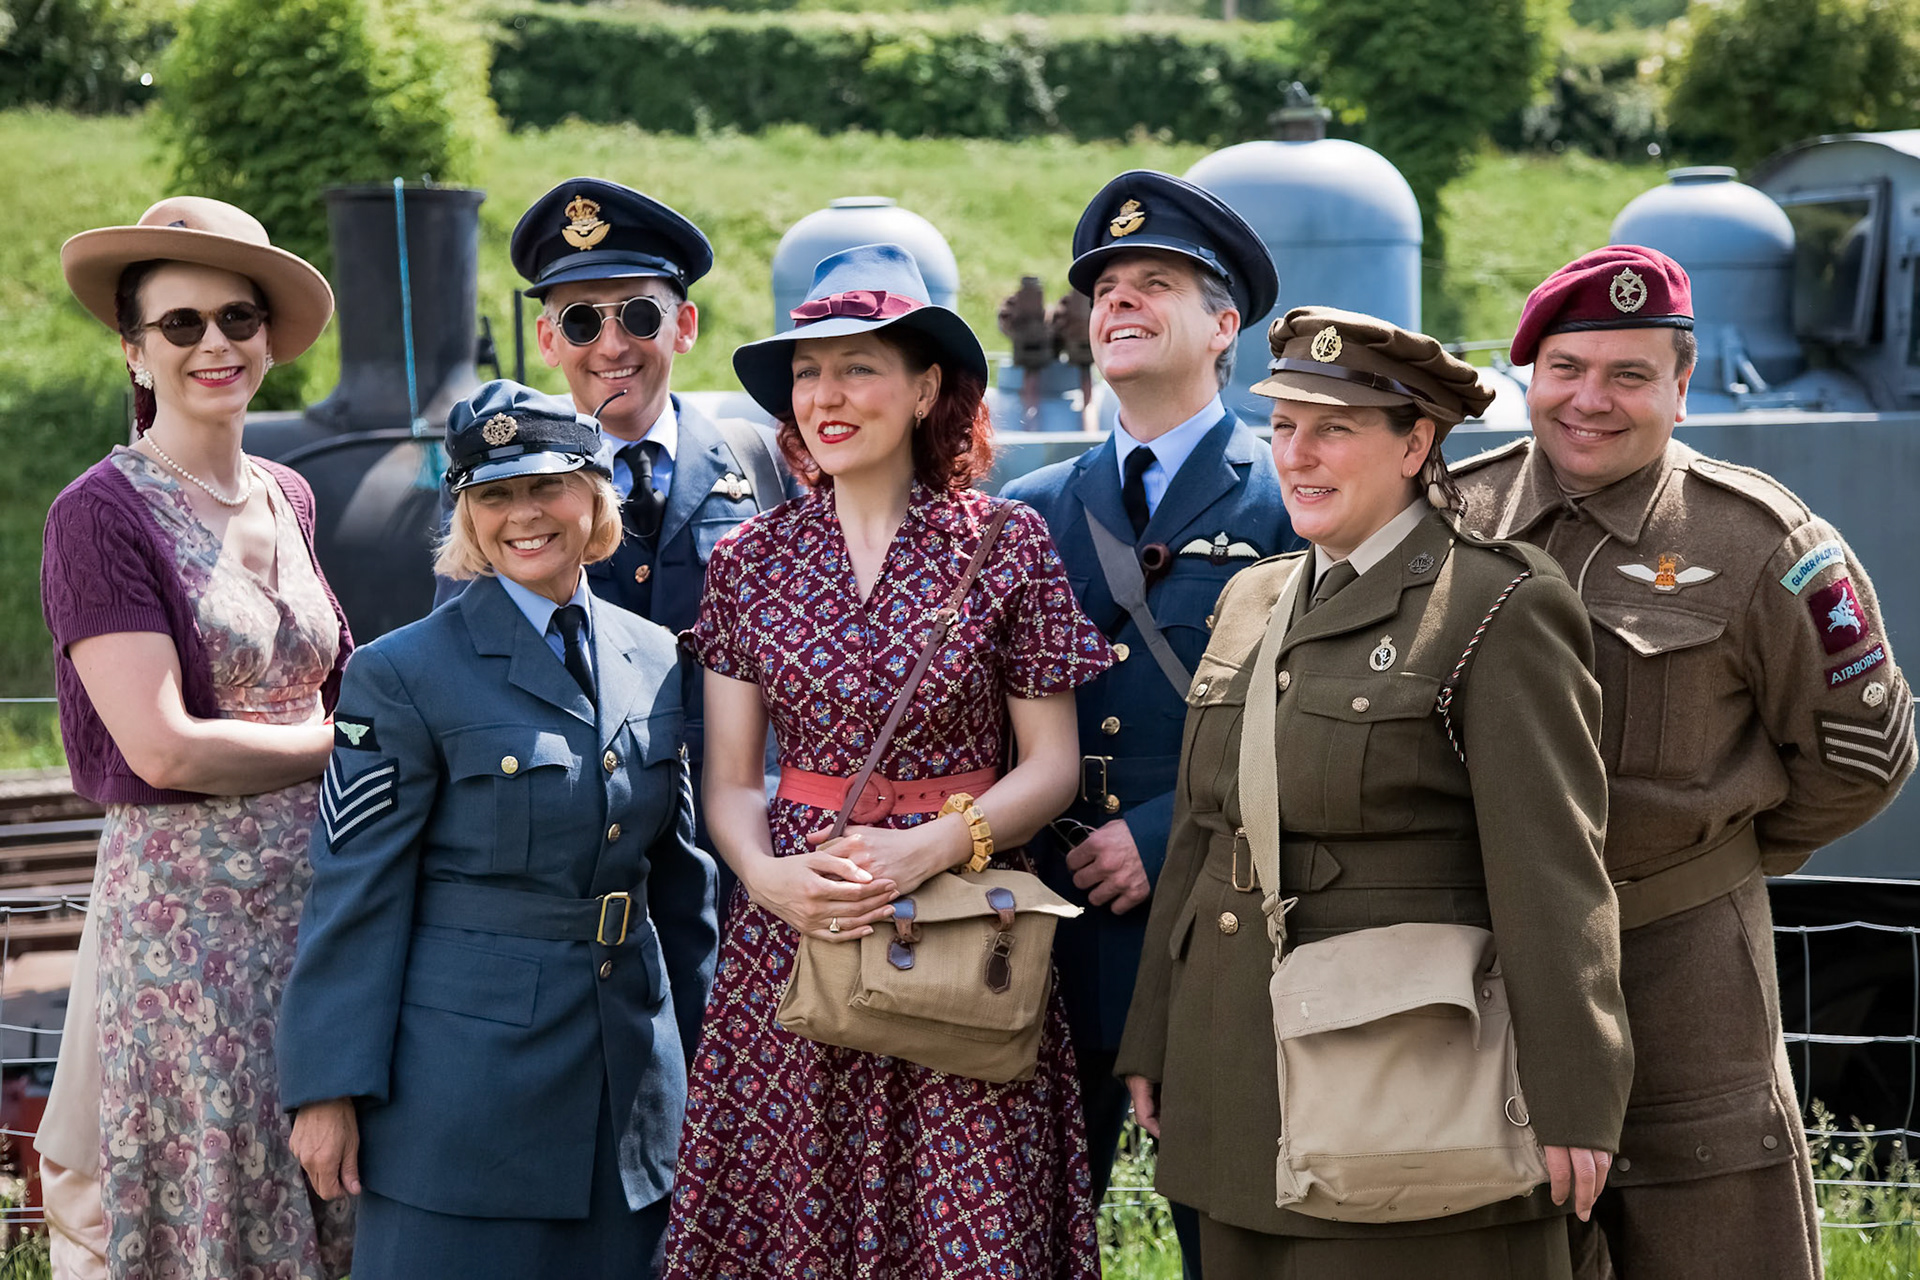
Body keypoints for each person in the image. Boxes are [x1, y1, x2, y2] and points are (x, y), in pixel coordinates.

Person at [1117, 307, 1634, 1279]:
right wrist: (1155, 1032)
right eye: (1282, 427)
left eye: (1335, 428)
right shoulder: (1253, 599)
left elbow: (1555, 876)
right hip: (1237, 1072)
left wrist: (1576, 1099)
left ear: (1416, 442)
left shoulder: (1498, 606)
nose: (1298, 455)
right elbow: (1201, 833)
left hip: (1406, 1083)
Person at [1453, 245, 1916, 1279]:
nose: (1592, 400)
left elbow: (1865, 754)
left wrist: (1716, 852)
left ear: (1682, 384)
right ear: (1529, 371)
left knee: (1708, 1235)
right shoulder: (1453, 518)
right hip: (1477, 974)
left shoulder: (1757, 539)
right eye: (1568, 368)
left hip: (1681, 974)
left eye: (1630, 374)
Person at [659, 243, 1114, 1278]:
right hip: (799, 934)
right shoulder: (749, 560)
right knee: (790, 1228)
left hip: (960, 926)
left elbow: (1050, 763)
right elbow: (728, 777)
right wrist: (769, 879)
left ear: (924, 391)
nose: (827, 394)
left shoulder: (1008, 543)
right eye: (809, 375)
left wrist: (932, 849)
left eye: (859, 368)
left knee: (969, 1230)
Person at [276, 381, 717, 1279]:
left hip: (631, 1088)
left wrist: (716, 1063)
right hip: (466, 1105)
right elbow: (356, 891)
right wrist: (326, 1088)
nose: (523, 515)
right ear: (468, 517)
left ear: (593, 495)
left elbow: (681, 886)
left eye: (544, 487)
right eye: (492, 495)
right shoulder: (402, 674)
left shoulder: (657, 656)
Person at [42, 196, 354, 1279]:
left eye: (237, 317)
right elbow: (165, 747)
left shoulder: (291, 493)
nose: (214, 344)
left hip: (323, 908)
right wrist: (344, 743)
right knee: (222, 1211)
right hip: (192, 939)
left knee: (337, 1197)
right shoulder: (100, 513)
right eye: (181, 325)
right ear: (133, 348)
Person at [1001, 171, 1293, 1260]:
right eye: (1106, 286)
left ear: (1225, 325)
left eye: (1154, 282)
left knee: (1230, 1239)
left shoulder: (1288, 498)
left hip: (1217, 931)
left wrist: (1165, 832)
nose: (1118, 301)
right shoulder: (1028, 512)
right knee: (1027, 1240)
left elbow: (1317, 712)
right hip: (1046, 944)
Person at [439, 178, 794, 874]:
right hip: (582, 844)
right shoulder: (499, 494)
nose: (610, 345)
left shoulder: (763, 467)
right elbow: (465, 662)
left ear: (684, 327)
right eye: (579, 320)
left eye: (637, 315)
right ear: (547, 338)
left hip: (749, 836)